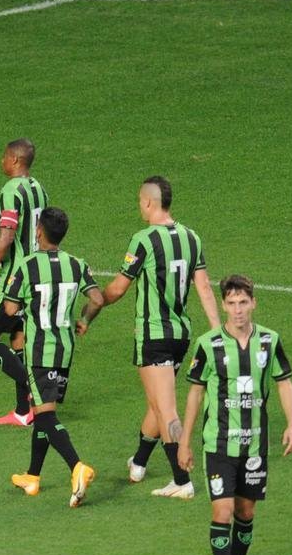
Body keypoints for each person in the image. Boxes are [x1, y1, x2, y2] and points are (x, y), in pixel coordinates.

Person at [83, 176, 220, 498]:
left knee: (165, 409)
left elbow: (118, 288)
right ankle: (140, 462)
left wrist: (95, 303)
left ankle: (182, 481)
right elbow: (203, 286)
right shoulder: (191, 237)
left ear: (148, 202)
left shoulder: (143, 240)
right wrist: (216, 330)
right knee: (157, 403)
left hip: (153, 335)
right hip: (180, 335)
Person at [178, 274, 292, 555]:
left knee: (246, 514)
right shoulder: (208, 344)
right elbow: (195, 393)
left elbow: (284, 382)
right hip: (218, 445)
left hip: (255, 446)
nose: (237, 309)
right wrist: (184, 442)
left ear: (253, 303)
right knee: (223, 510)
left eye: (243, 302)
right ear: (224, 305)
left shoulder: (269, 341)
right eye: (231, 303)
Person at [3, 208, 103, 507]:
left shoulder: (27, 265)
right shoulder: (76, 264)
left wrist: (25, 311)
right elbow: (97, 299)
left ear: (39, 232)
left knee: (45, 416)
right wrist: (84, 319)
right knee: (43, 408)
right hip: (65, 349)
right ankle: (32, 476)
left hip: (39, 351)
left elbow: (9, 309)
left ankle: (77, 466)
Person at [0, 138, 48, 427]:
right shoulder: (39, 189)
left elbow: (6, 236)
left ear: (15, 160)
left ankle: (33, 390)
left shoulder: (11, 191)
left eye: (4, 156)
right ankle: (22, 411)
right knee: (19, 339)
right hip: (36, 276)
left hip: (13, 280)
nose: (1, 160)